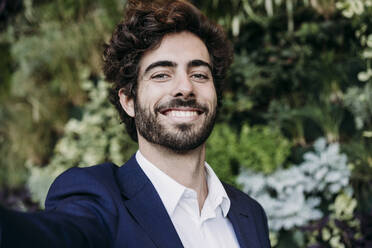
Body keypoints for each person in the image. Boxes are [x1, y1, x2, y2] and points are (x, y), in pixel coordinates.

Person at [0, 0, 271, 247]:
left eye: (199, 74)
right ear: (129, 101)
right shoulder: (99, 199)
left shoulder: (250, 214)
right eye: (162, 74)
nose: (185, 87)